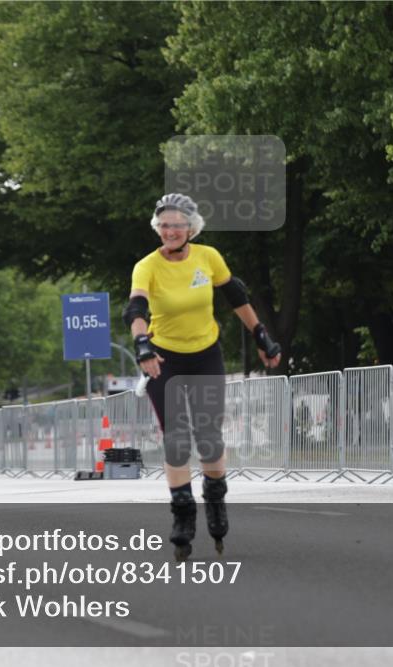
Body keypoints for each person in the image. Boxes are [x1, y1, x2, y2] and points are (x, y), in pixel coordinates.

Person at [123, 193, 281, 561]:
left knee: (209, 436)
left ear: (191, 227)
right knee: (176, 437)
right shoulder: (146, 266)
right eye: (164, 225)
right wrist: (143, 344)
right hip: (165, 358)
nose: (170, 231)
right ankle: (182, 514)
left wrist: (261, 335)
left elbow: (236, 296)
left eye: (177, 224)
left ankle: (215, 500)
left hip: (205, 355)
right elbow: (136, 307)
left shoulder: (208, 257)